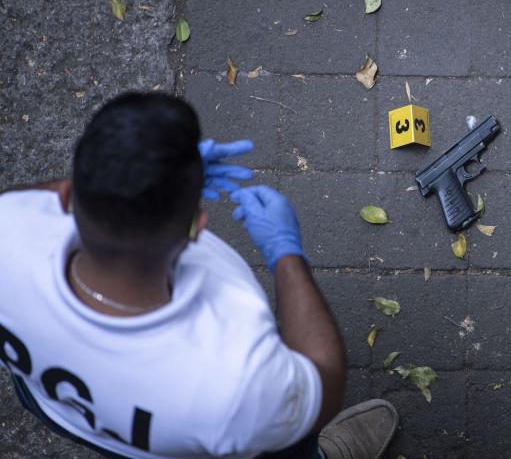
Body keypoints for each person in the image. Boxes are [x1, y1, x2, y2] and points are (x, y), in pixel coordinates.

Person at [0, 93, 398, 458]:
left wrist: (152, 181)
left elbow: (31, 202)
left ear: (68, 196)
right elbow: (323, 387)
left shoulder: (9, 230)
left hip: (67, 413)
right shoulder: (237, 381)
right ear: (197, 226)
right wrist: (286, 255)